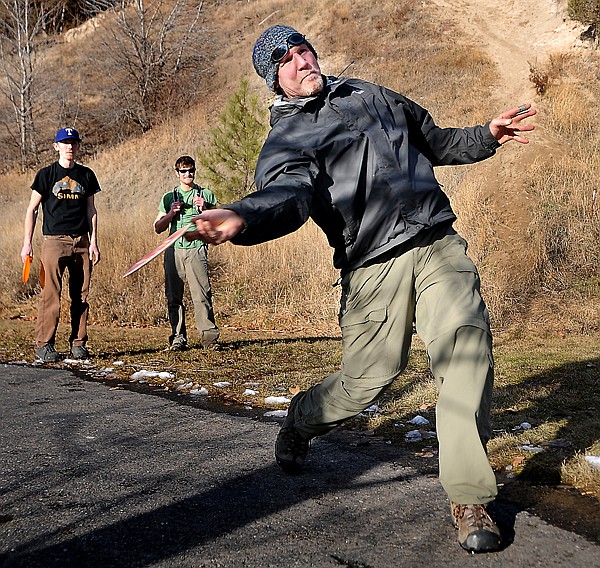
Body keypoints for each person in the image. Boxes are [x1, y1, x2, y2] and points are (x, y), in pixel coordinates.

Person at [184, 25, 536, 553]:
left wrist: (486, 133)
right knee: (366, 382)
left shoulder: (369, 94)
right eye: (286, 58)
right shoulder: (288, 139)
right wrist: (243, 216)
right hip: (372, 266)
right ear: (273, 80)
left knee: (467, 350)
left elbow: (433, 139)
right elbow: (287, 196)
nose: (301, 59)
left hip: (436, 240)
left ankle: (467, 496)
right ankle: (302, 420)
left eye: (304, 49)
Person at [21, 127, 101, 362]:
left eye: (73, 143)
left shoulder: (86, 175)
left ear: (78, 146)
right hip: (54, 241)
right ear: (56, 146)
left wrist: (94, 242)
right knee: (51, 294)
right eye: (65, 143)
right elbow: (32, 209)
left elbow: (91, 210)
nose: (69, 147)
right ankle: (44, 345)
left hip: (81, 242)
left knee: (81, 295)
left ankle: (78, 343)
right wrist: (27, 243)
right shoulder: (46, 175)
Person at [154, 155, 219, 351]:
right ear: (177, 174)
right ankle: (177, 338)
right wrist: (171, 214)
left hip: (196, 248)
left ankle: (209, 339)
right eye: (183, 171)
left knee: (201, 295)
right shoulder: (168, 197)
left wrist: (205, 209)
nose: (187, 174)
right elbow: (157, 227)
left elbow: (218, 224)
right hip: (173, 249)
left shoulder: (205, 194)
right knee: (174, 296)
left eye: (191, 170)